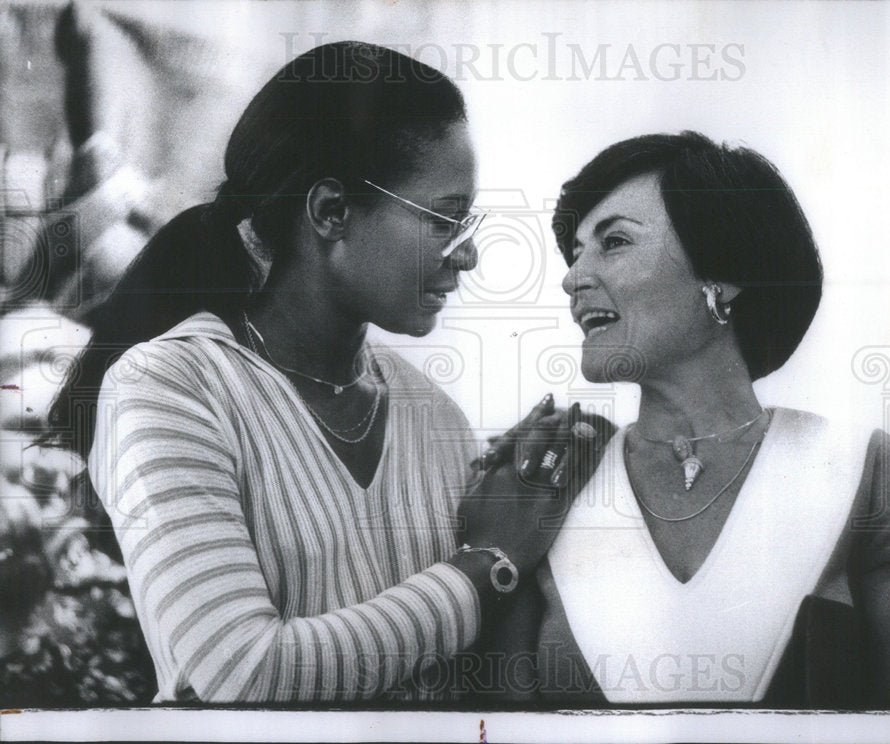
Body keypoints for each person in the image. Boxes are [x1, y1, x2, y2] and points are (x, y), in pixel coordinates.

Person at [48, 42, 610, 703]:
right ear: (331, 212)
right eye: (445, 220)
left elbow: (474, 688)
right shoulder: (168, 387)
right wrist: (486, 565)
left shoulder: (437, 417)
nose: (471, 255)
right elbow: (240, 673)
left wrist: (528, 503)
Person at [486, 132, 890, 707]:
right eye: (575, 252)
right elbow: (502, 725)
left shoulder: (875, 475)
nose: (573, 277)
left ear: (721, 274)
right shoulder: (549, 478)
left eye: (613, 242)